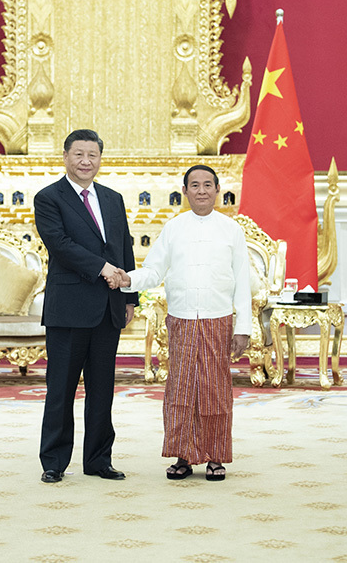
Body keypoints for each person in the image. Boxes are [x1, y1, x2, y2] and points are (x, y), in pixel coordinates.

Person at [115, 165, 250, 481]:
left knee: (215, 389)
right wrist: (127, 280)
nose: (202, 191)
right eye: (195, 185)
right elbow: (153, 271)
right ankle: (183, 456)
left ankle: (215, 456)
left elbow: (243, 280)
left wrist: (243, 327)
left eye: (208, 185)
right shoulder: (173, 228)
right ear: (185, 191)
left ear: (218, 190)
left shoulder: (232, 230)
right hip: (182, 320)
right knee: (181, 389)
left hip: (218, 319)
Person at [34, 129, 138, 483]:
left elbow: (123, 248)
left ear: (99, 159)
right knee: (61, 389)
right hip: (68, 308)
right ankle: (54, 462)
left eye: (92, 155)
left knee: (102, 389)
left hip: (108, 308)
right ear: (65, 156)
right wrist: (102, 268)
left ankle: (98, 460)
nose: (85, 161)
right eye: (78, 154)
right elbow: (60, 244)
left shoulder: (112, 198)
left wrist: (130, 296)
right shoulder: (49, 198)